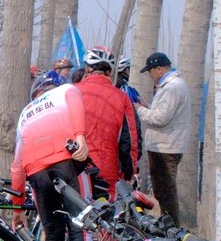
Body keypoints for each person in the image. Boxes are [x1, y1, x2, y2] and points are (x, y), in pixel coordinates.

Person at [11, 70, 91, 241]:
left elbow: (16, 166)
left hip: (35, 171)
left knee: (52, 237)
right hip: (64, 160)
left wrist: (17, 209)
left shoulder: (25, 113)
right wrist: (80, 135)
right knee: (79, 228)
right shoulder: (64, 91)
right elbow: (76, 99)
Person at [135, 51, 191, 225]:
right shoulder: (171, 86)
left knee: (165, 191)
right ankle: (168, 224)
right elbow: (163, 113)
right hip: (165, 145)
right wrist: (148, 107)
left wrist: (139, 108)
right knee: (162, 190)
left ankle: (172, 228)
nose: (150, 76)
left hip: (166, 147)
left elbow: (159, 119)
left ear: (158, 69)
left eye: (150, 71)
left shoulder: (172, 87)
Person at [76, 47, 139, 200]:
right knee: (104, 218)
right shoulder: (122, 98)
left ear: (87, 68)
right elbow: (129, 141)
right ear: (110, 72)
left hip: (74, 168)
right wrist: (129, 173)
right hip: (106, 169)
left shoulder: (71, 92)